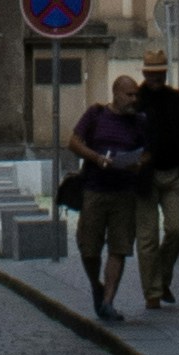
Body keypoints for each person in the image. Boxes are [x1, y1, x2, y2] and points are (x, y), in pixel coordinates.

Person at [66, 80, 151, 310]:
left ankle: (107, 301)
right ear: (116, 94)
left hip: (124, 192)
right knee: (89, 248)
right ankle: (96, 285)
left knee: (119, 248)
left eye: (136, 95)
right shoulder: (96, 114)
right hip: (95, 189)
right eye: (129, 95)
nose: (134, 99)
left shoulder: (140, 121)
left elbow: (147, 152)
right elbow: (73, 142)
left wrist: (137, 163)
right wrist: (96, 158)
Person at [131, 57, 179, 312]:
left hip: (173, 174)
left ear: (166, 73)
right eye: (152, 72)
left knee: (177, 229)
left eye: (160, 72)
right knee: (147, 238)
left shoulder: (178, 99)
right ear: (144, 73)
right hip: (145, 177)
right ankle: (153, 293)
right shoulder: (136, 100)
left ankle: (160, 277)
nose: (156, 77)